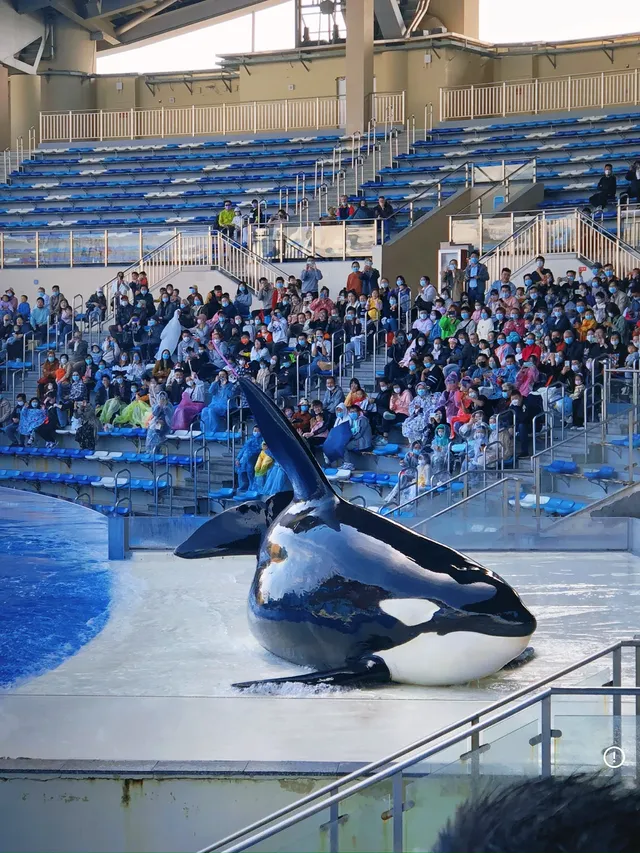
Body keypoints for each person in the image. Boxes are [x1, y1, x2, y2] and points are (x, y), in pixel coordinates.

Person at [342, 405, 373, 469]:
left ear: (359, 412)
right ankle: (346, 463)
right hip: (357, 440)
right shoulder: (355, 420)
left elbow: (359, 434)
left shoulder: (362, 420)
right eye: (351, 412)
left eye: (354, 411)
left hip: (363, 441)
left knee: (343, 446)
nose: (352, 413)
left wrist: (350, 438)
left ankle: (348, 464)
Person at [235, 426, 262, 491]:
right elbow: (243, 449)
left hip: (254, 457)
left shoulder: (262, 440)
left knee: (250, 469)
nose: (256, 432)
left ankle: (251, 486)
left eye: (258, 431)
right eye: (255, 431)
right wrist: (238, 458)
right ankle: (243, 486)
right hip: (245, 458)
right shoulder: (249, 439)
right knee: (240, 468)